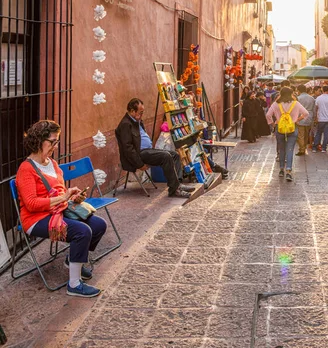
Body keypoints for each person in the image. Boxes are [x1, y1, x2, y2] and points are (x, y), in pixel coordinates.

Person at [16, 120, 106, 297]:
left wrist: (73, 196)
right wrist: (63, 197)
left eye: (57, 142)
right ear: (39, 140)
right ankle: (74, 284)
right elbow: (32, 204)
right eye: (52, 142)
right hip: (36, 219)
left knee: (98, 225)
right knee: (82, 231)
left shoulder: (53, 164)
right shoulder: (26, 169)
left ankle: (72, 259)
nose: (55, 146)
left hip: (59, 210)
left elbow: (60, 191)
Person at [115, 98, 196, 198]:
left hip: (147, 151)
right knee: (166, 156)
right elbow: (128, 149)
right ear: (132, 111)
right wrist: (139, 164)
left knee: (174, 154)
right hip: (139, 154)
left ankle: (177, 185)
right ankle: (174, 190)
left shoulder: (136, 121)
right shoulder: (125, 124)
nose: (141, 115)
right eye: (140, 113)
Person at [266, 86, 309, 181]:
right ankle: (288, 171)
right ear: (291, 94)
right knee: (290, 149)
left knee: (281, 149)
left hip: (280, 128)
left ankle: (281, 169)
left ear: (280, 94)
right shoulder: (296, 104)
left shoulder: (276, 104)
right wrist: (297, 120)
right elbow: (306, 113)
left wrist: (273, 124)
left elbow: (268, 115)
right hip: (292, 128)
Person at [312, 86, 328, 153]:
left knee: (318, 133)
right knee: (326, 134)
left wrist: (316, 117)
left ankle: (314, 148)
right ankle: (323, 148)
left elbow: (316, 109)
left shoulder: (318, 98)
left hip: (321, 119)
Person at [295, 84, 315, 156]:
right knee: (306, 133)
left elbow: (296, 109)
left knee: (300, 135)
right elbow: (314, 109)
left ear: (299, 90)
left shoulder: (298, 98)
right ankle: (304, 147)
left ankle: (302, 149)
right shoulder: (312, 98)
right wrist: (314, 118)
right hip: (309, 117)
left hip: (301, 117)